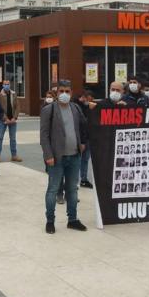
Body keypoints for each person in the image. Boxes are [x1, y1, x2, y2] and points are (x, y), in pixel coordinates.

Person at [40, 80, 88, 234]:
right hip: (56, 157)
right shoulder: (49, 110)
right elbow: (44, 135)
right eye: (62, 91)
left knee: (72, 190)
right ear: (57, 92)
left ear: (71, 93)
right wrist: (48, 155)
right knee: (53, 190)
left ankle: (72, 220)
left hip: (74, 156)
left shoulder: (75, 108)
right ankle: (50, 221)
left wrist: (82, 142)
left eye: (67, 91)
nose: (64, 94)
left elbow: (83, 125)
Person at [0, 79, 22, 163]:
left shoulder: (14, 94)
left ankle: (14, 155)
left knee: (13, 139)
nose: (6, 85)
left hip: (13, 120)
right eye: (5, 84)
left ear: (10, 85)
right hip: (2, 120)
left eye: (8, 84)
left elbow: (17, 107)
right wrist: (5, 118)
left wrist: (14, 117)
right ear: (2, 85)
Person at [75, 92, 96, 189]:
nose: (89, 101)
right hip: (79, 138)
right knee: (76, 160)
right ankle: (74, 181)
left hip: (88, 137)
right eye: (88, 99)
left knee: (85, 159)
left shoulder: (89, 107)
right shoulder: (76, 106)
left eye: (90, 99)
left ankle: (84, 179)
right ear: (83, 97)